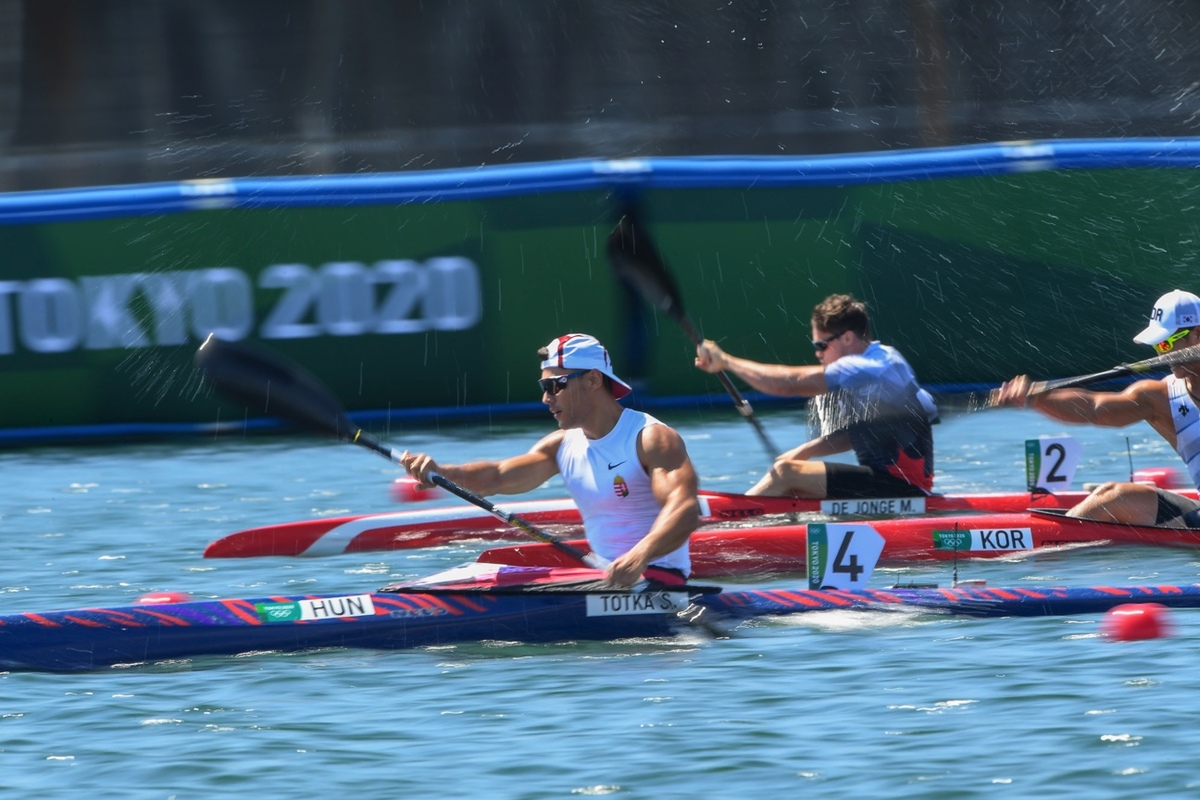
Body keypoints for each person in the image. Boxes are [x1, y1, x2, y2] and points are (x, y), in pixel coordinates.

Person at [400, 333, 700, 588]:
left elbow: (685, 510)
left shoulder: (649, 438)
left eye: (554, 385)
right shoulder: (561, 446)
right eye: (544, 387)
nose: (546, 398)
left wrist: (640, 555)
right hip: (603, 578)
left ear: (593, 380)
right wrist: (440, 471)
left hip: (656, 579)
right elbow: (497, 476)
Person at [693, 293, 937, 499]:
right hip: (888, 484)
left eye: (821, 346)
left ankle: (727, 524)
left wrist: (726, 361)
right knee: (791, 480)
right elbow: (860, 433)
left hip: (905, 491)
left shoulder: (871, 368)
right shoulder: (884, 358)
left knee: (788, 473)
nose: (818, 354)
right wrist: (805, 450)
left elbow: (788, 385)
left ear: (848, 338)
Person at [994, 289, 1200, 527]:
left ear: (1197, 335)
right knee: (1112, 495)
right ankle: (1047, 543)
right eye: (1158, 346)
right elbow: (1093, 408)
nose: (1163, 354)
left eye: (1167, 344)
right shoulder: (1159, 398)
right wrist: (1035, 398)